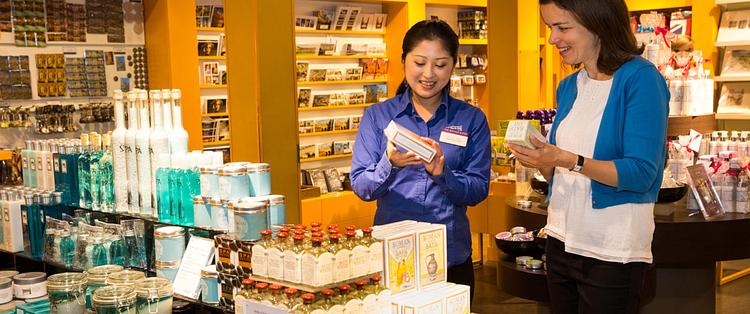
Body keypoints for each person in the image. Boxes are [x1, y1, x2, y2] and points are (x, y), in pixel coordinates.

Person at [507, 0, 669, 313]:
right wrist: (545, 164)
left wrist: (568, 160)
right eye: (550, 28)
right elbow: (562, 169)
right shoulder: (569, 86)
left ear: (599, 25)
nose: (553, 38)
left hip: (611, 251)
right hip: (560, 240)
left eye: (563, 28)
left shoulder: (641, 80)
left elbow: (641, 173)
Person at [350, 19, 491, 301]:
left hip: (451, 258)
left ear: (452, 66)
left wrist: (443, 174)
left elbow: (478, 189)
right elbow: (361, 186)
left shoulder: (470, 118)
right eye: (419, 62)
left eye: (440, 65)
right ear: (404, 61)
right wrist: (389, 164)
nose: (429, 74)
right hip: (391, 259)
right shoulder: (377, 116)